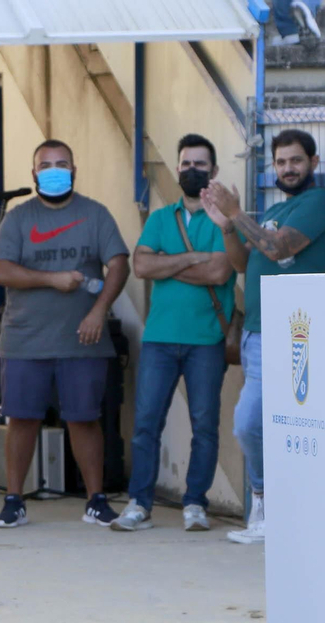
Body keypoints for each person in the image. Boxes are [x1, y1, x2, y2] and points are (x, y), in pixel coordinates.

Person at [200, 128, 325, 544]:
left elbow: (278, 249)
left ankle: (266, 501)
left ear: (313, 163)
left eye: (296, 160)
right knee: (261, 424)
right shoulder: (281, 207)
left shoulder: (317, 205)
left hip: (292, 336)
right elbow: (244, 262)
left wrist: (238, 212)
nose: (288, 168)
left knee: (249, 424)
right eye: (280, 162)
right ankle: (268, 511)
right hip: (257, 332)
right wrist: (227, 226)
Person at [0, 139, 131, 528]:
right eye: (46, 164)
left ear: (74, 169)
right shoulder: (18, 218)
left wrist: (99, 311)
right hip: (25, 339)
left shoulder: (95, 214)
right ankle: (14, 500)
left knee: (85, 419)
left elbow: (119, 264)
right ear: (34, 174)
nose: (54, 169)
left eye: (62, 163)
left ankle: (96, 500)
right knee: (21, 419)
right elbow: (1, 270)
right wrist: (51, 279)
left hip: (83, 339)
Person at [118, 135, 237, 532]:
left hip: (207, 339)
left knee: (205, 426)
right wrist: (192, 259)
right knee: (147, 423)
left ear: (214, 172)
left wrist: (166, 263)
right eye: (185, 164)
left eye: (200, 164)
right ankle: (139, 503)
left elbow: (220, 271)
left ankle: (195, 504)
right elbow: (140, 267)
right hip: (159, 338)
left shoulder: (223, 220)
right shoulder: (159, 218)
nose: (191, 171)